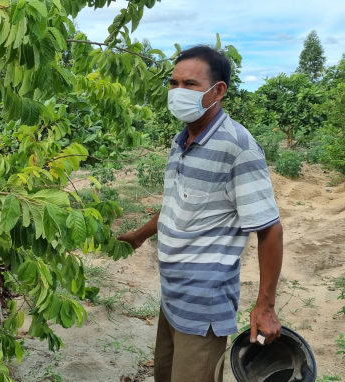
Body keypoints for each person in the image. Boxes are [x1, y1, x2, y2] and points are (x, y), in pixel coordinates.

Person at [117, 45, 283, 382]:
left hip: (204, 304)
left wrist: (265, 306)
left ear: (217, 90)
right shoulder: (182, 141)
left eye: (190, 84)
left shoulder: (237, 147)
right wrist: (140, 235)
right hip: (173, 297)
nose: (178, 92)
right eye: (173, 83)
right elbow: (177, 205)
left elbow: (270, 229)